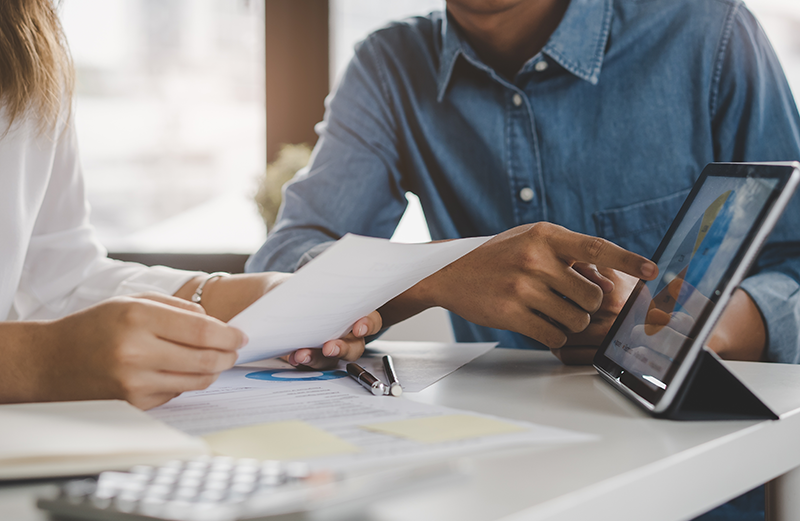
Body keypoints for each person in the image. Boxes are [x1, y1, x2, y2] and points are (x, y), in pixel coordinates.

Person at [248, 0, 800, 369]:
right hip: (505, 475)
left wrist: (683, 332)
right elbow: (281, 265)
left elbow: (794, 259)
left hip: (714, 482)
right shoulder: (389, 66)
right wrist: (438, 273)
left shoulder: (709, 31)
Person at [0, 0, 381, 411]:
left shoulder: (31, 37)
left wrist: (234, 300)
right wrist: (39, 361)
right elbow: (49, 336)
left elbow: (55, 281)